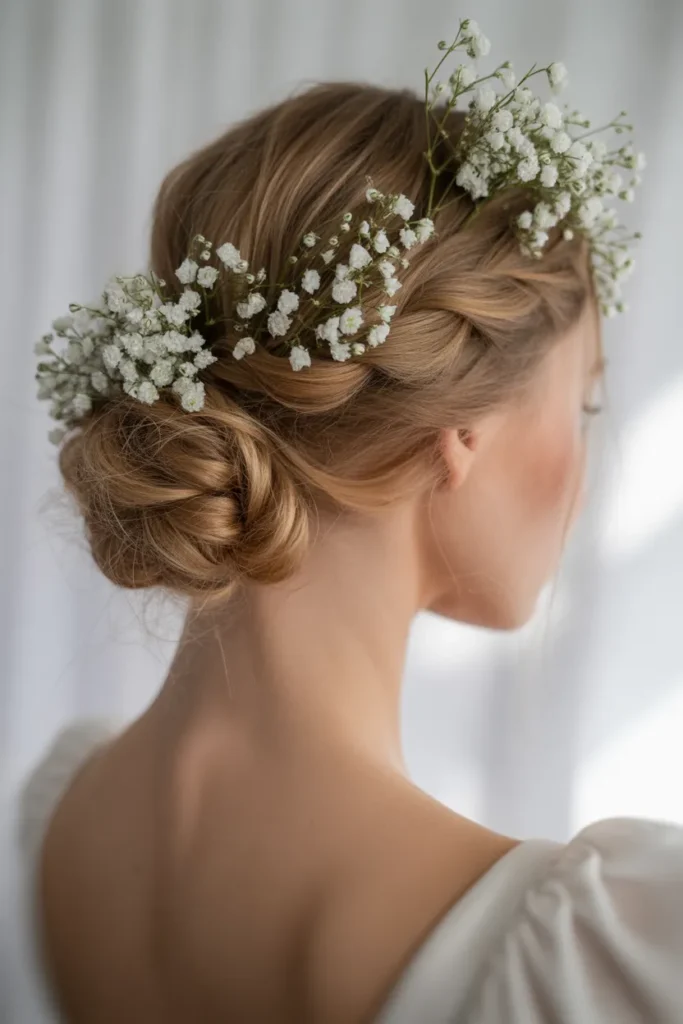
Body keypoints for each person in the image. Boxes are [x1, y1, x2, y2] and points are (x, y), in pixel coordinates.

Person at [20, 18, 683, 1024]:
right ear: (463, 429)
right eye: (580, 404)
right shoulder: (609, 957)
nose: (584, 483)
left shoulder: (52, 818)